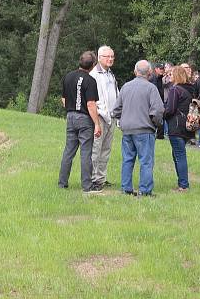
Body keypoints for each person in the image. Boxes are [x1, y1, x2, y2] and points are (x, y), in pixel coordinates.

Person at [111, 60, 164, 197]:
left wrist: (123, 119)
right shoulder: (151, 88)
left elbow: (116, 110)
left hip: (127, 129)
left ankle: (126, 188)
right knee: (146, 161)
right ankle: (145, 191)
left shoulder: (126, 87)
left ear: (135, 72)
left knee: (127, 159)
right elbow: (157, 110)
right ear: (150, 73)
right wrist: (156, 124)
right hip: (144, 129)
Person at [58, 51, 102, 193]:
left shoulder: (68, 77)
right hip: (84, 119)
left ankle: (62, 183)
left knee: (68, 151)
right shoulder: (90, 81)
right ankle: (87, 186)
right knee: (85, 153)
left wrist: (72, 109)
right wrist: (97, 123)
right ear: (93, 65)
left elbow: (64, 99)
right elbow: (90, 104)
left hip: (70, 116)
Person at [91, 46, 119, 190]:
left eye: (112, 57)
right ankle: (93, 179)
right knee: (96, 149)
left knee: (106, 149)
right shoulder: (94, 74)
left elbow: (115, 94)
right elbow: (93, 99)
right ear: (99, 57)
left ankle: (101, 178)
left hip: (112, 117)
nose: (110, 59)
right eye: (107, 56)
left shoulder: (110, 74)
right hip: (100, 117)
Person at [164, 66, 193, 191]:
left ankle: (183, 184)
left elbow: (170, 109)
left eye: (171, 74)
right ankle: (182, 182)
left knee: (179, 155)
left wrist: (162, 114)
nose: (169, 76)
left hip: (176, 125)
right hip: (186, 125)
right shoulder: (190, 89)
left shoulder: (175, 90)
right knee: (178, 154)